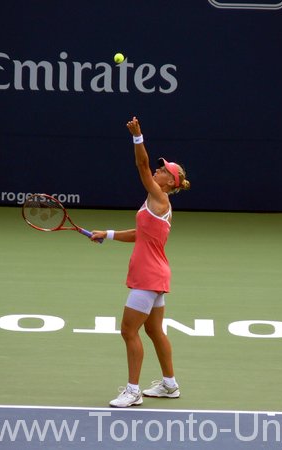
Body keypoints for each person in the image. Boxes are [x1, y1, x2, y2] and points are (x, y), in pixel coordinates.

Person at [90, 116, 190, 408]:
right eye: (159, 168)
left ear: (170, 182)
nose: (157, 171)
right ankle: (170, 385)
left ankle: (132, 391)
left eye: (163, 170)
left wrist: (137, 136)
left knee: (128, 331)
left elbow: (142, 165)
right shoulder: (159, 206)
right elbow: (139, 234)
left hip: (148, 278)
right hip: (157, 277)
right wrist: (106, 234)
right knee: (154, 330)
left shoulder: (159, 197)